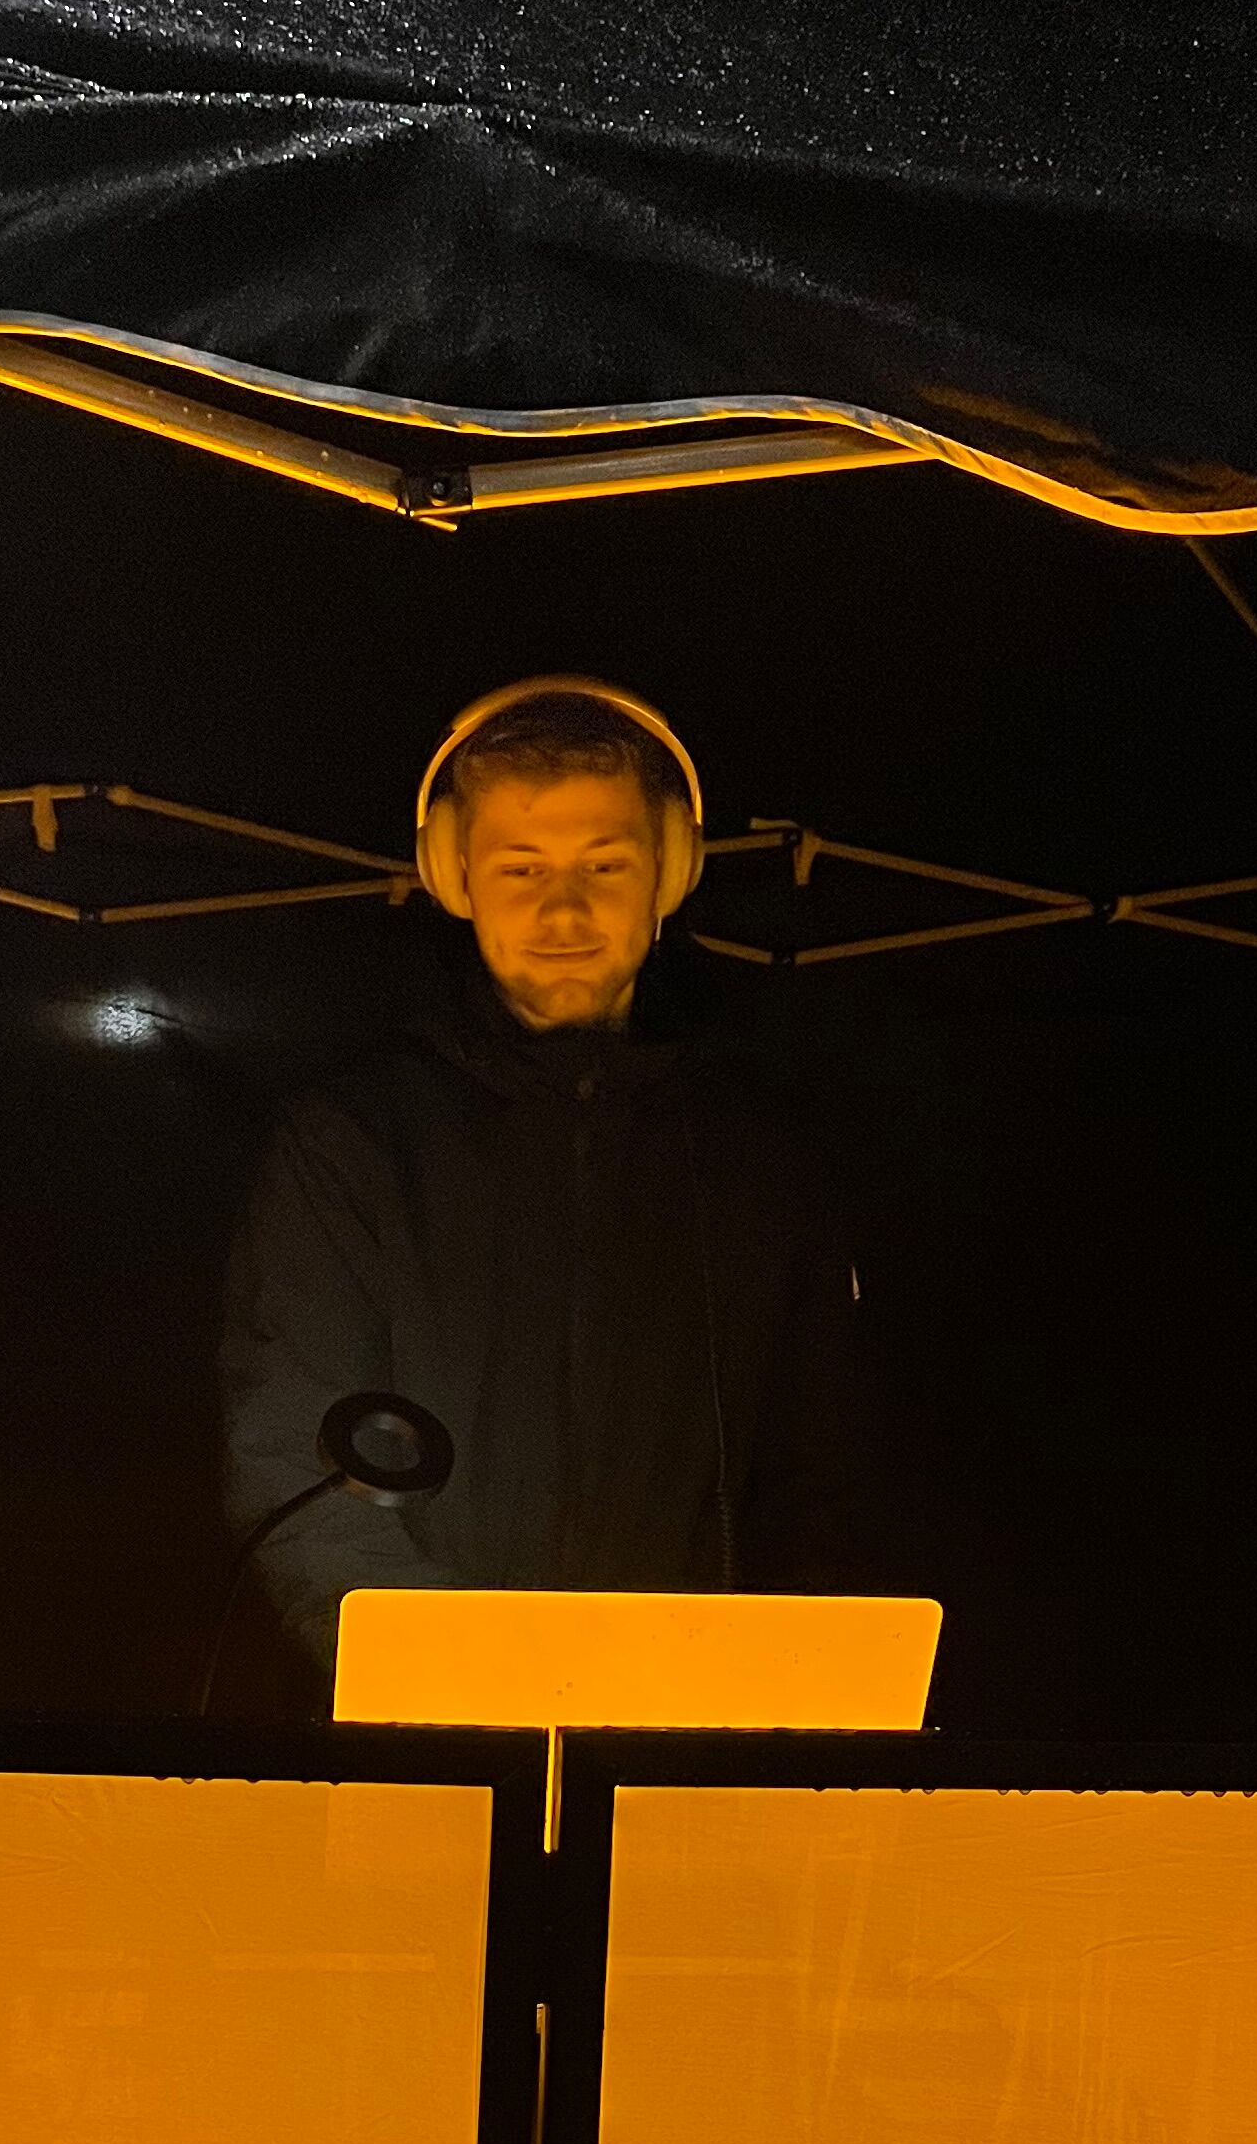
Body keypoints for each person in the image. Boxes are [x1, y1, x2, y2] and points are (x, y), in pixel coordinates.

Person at [220, 676, 863, 1679]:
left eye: (605, 864)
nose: (564, 908)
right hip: (434, 1732)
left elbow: (820, 1477)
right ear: (453, 874)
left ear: (672, 871)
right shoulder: (351, 1144)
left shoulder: (762, 1157)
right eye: (521, 868)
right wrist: (471, 1681)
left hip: (693, 1729)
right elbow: (294, 1458)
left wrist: (750, 1690)